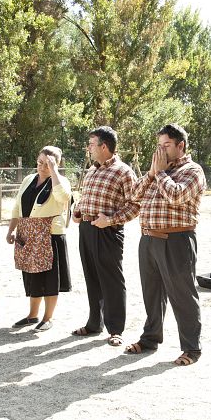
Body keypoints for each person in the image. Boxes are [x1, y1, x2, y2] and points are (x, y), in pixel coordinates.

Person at [124, 123, 206, 366]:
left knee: (183, 296)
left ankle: (192, 348)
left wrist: (159, 174)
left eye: (166, 145)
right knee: (152, 294)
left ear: (181, 146)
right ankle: (150, 339)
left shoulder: (193, 171)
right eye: (159, 145)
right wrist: (152, 173)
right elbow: (133, 195)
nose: (161, 150)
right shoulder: (157, 171)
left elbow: (177, 196)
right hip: (148, 239)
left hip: (177, 240)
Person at [71, 126, 139, 346]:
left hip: (108, 232)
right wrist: (78, 211)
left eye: (92, 144)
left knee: (112, 280)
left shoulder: (124, 172)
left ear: (104, 146)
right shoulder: (92, 170)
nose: (88, 148)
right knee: (91, 278)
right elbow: (85, 197)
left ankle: (116, 329)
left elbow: (135, 205)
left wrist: (110, 220)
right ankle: (94, 324)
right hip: (86, 229)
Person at [6, 146, 72, 331]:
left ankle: (48, 318)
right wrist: (11, 230)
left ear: (57, 164)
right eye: (40, 162)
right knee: (32, 275)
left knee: (50, 278)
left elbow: (63, 197)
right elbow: (17, 207)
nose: (43, 167)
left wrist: (54, 172)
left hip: (51, 235)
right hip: (28, 233)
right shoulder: (28, 179)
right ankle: (32, 315)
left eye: (48, 164)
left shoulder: (61, 181)